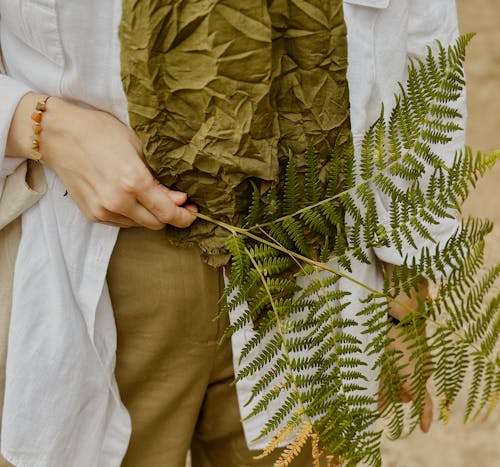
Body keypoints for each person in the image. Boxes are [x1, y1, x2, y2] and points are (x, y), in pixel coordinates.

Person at [0, 1, 464, 466]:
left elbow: (421, 31)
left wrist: (409, 281)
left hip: (309, 261)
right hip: (96, 246)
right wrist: (40, 125)